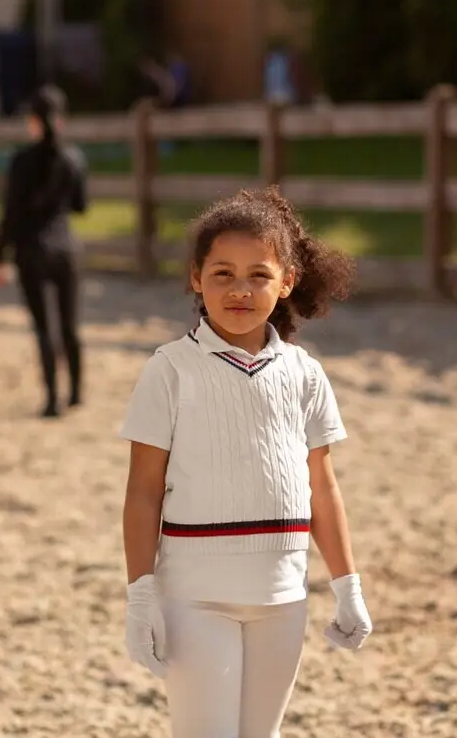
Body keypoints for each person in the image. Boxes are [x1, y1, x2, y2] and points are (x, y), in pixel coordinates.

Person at [117, 185, 373, 737]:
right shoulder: (169, 370)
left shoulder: (305, 374)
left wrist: (348, 586)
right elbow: (143, 492)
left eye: (258, 274)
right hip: (195, 599)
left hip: (284, 599)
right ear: (195, 278)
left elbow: (321, 487)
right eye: (222, 274)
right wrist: (140, 596)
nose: (240, 290)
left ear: (287, 281)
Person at [0, 84, 89, 418]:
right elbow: (81, 206)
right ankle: (76, 392)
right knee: (70, 325)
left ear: (34, 121)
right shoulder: (74, 159)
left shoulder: (20, 162)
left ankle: (51, 400)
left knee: (44, 327)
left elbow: (10, 213)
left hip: (31, 251)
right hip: (66, 249)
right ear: (60, 120)